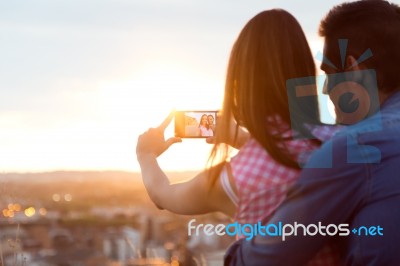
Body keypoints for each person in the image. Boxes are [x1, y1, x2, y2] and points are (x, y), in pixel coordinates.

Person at [136, 9, 338, 265]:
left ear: (239, 82)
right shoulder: (340, 144)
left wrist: (146, 155)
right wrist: (243, 139)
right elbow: (288, 157)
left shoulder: (232, 180)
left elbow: (162, 194)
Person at [224, 1, 400, 265]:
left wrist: (235, 251)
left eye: (329, 74)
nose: (327, 89)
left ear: (355, 69)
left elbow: (262, 258)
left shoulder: (353, 148)